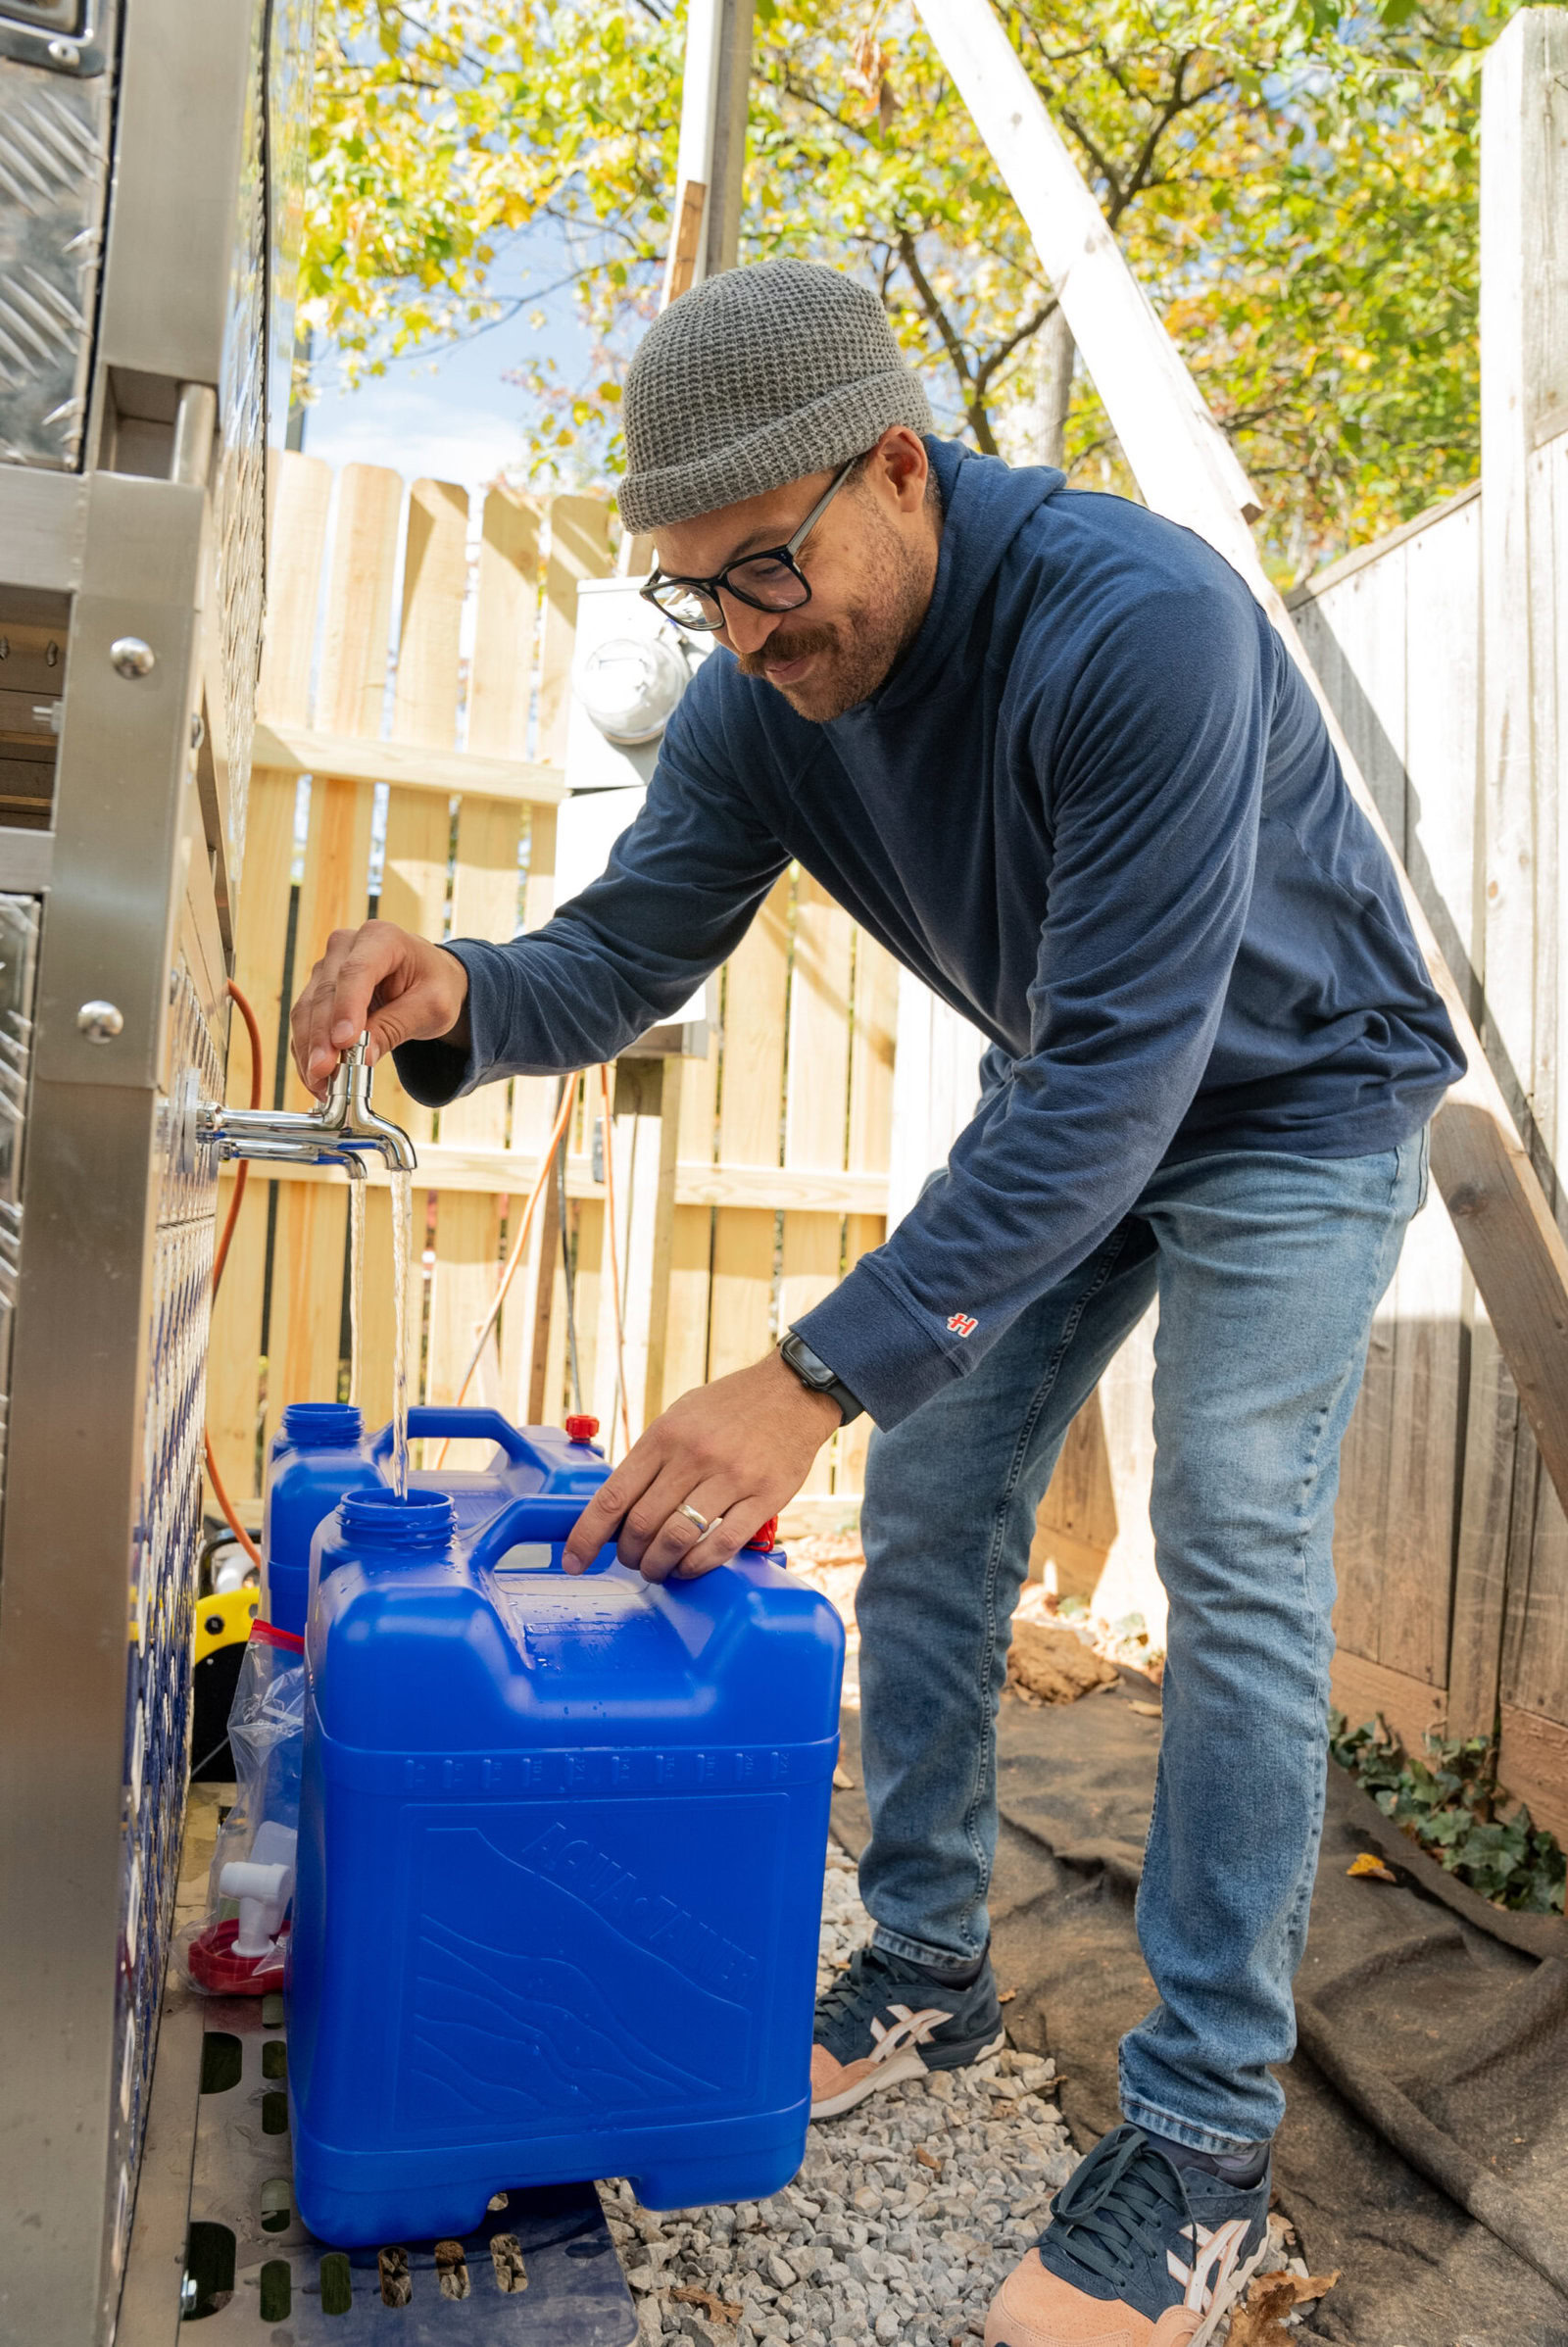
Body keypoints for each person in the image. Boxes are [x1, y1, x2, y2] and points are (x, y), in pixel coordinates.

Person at [290, 259, 1463, 2346]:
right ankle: (922, 1965)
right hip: (1081, 1095)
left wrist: (806, 1376)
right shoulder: (765, 699)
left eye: (768, 568)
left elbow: (1119, 1073)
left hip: (1289, 1094)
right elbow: (629, 946)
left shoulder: (1138, 623)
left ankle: (1197, 2138)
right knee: (932, 1510)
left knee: (1230, 1536)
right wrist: (463, 982)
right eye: (699, 596)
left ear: (900, 470)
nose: (747, 630)